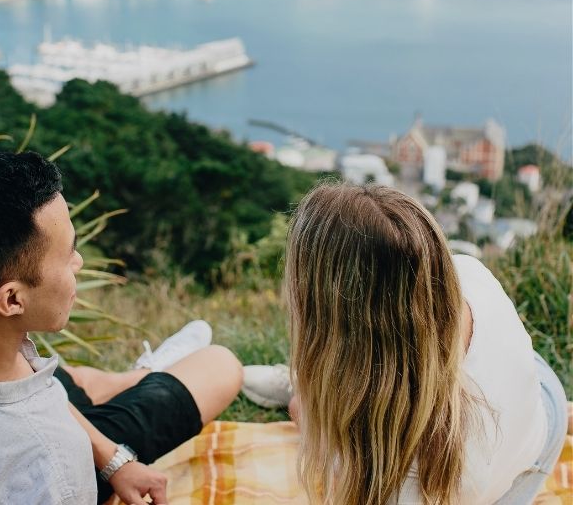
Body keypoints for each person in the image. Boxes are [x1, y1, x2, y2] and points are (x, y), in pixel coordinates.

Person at [0, 151, 243, 505]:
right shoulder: (50, 473)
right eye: (68, 252)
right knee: (221, 365)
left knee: (68, 380)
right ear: (12, 300)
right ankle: (151, 376)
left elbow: (40, 396)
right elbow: (42, 444)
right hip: (35, 443)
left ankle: (140, 374)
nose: (80, 262)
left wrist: (114, 461)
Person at [241, 183, 567, 504]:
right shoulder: (471, 271)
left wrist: (308, 410)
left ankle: (314, 394)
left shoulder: (407, 487)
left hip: (513, 478)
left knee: (302, 408)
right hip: (542, 400)